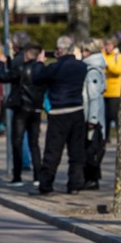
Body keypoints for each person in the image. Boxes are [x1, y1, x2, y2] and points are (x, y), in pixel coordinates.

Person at [33, 37, 88, 195]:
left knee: (53, 151)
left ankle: (46, 185)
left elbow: (37, 78)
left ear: (59, 50)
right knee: (76, 151)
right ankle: (75, 184)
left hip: (58, 112)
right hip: (77, 109)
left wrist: (39, 63)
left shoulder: (54, 68)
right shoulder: (81, 67)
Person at [0, 44, 44, 186]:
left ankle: (17, 177)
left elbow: (2, 77)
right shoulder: (42, 71)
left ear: (27, 55)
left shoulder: (21, 69)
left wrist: (0, 63)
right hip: (36, 110)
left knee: (17, 142)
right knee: (34, 143)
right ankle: (38, 176)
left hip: (22, 109)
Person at [80, 41, 107, 190]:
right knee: (91, 148)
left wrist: (92, 119)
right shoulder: (93, 69)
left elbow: (94, 97)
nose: (82, 54)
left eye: (85, 51)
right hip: (92, 114)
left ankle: (91, 179)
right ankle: (90, 178)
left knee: (91, 149)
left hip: (91, 116)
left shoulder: (92, 71)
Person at [102, 37, 121, 138]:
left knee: (114, 115)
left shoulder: (118, 56)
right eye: (106, 45)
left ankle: (120, 135)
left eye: (110, 45)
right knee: (105, 116)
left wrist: (107, 65)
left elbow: (117, 70)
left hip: (115, 91)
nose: (107, 47)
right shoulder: (102, 55)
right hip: (103, 90)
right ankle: (106, 137)